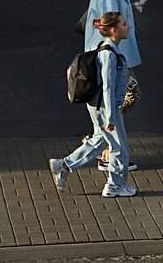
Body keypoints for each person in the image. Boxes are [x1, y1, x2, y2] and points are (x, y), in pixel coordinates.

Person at [49, 12, 136, 197]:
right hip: (106, 107)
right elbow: (108, 87)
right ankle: (114, 186)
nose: (127, 27)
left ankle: (63, 165)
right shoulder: (109, 55)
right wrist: (112, 116)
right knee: (119, 147)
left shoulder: (107, 50)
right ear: (114, 30)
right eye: (124, 24)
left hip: (99, 105)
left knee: (100, 141)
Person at [86, 0, 142, 172]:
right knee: (118, 103)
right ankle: (106, 153)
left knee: (117, 104)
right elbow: (112, 28)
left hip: (111, 58)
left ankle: (106, 150)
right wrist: (122, 64)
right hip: (111, 59)